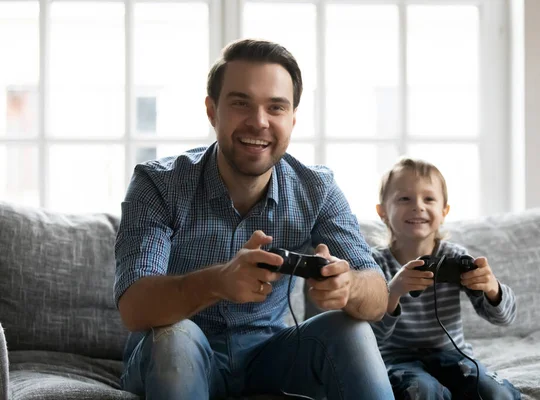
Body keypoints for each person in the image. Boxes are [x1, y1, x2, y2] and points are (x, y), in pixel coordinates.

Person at [113, 38, 394, 400]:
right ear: (212, 111)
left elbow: (378, 294)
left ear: (292, 119)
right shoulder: (159, 183)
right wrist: (218, 281)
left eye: (275, 107)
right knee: (175, 339)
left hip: (270, 356)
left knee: (350, 330)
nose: (259, 122)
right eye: (241, 103)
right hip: (177, 351)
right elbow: (134, 306)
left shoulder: (316, 188)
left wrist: (348, 287)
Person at [370, 157, 521, 400]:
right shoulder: (375, 264)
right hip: (397, 359)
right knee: (422, 391)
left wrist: (492, 289)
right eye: (404, 198)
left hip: (453, 355)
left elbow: (504, 318)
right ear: (382, 212)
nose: (418, 206)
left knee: (495, 392)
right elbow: (370, 336)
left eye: (428, 199)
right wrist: (393, 291)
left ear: (444, 212)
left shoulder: (455, 257)